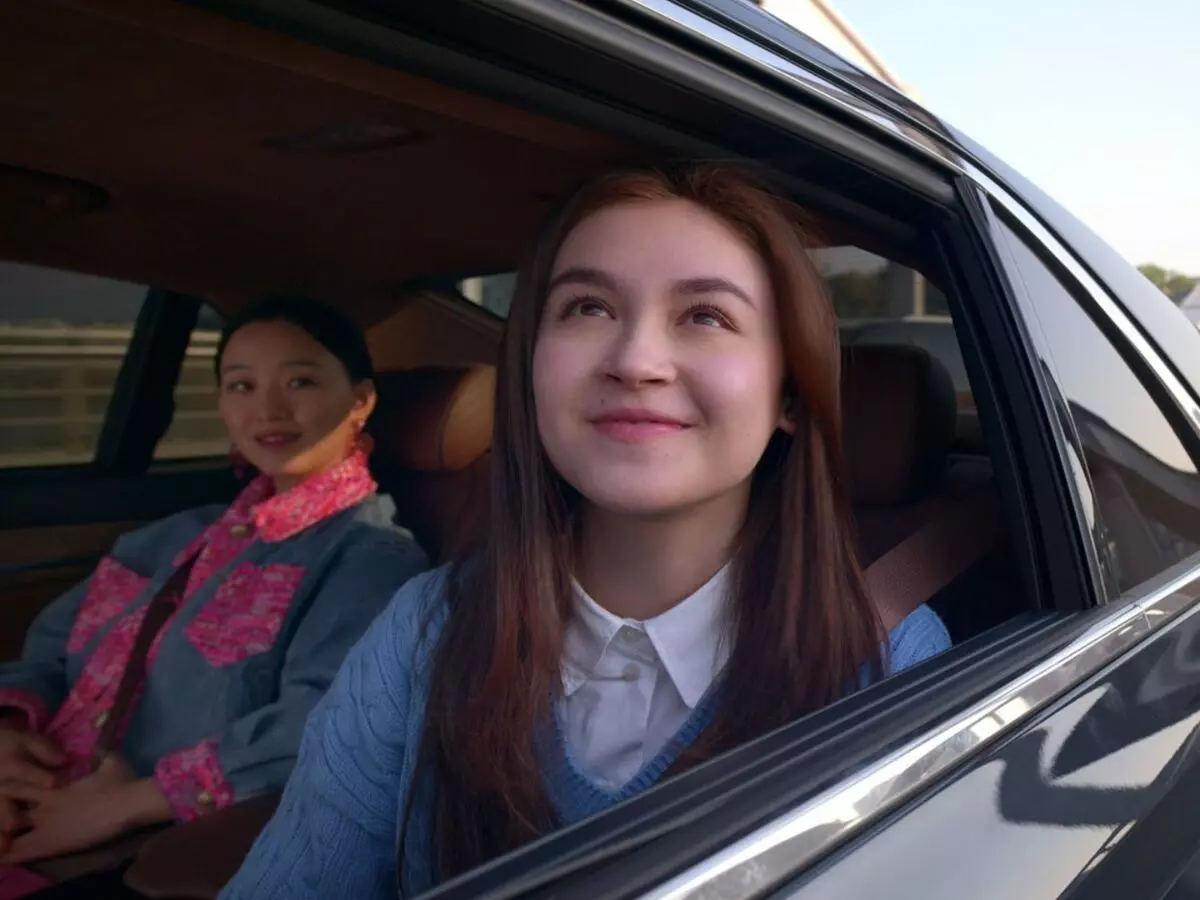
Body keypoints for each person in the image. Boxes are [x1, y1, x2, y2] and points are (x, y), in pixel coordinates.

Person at [221, 163, 952, 899]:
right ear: (531, 365)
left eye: (706, 316)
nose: (635, 361)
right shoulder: (423, 634)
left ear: (788, 391)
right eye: (588, 308)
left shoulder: (887, 661)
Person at [0, 297, 429, 897]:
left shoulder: (370, 558)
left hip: (134, 844)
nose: (269, 409)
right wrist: (10, 730)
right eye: (242, 385)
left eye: (300, 381)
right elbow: (52, 645)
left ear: (360, 400)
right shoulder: (170, 538)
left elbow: (326, 722)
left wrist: (129, 803)